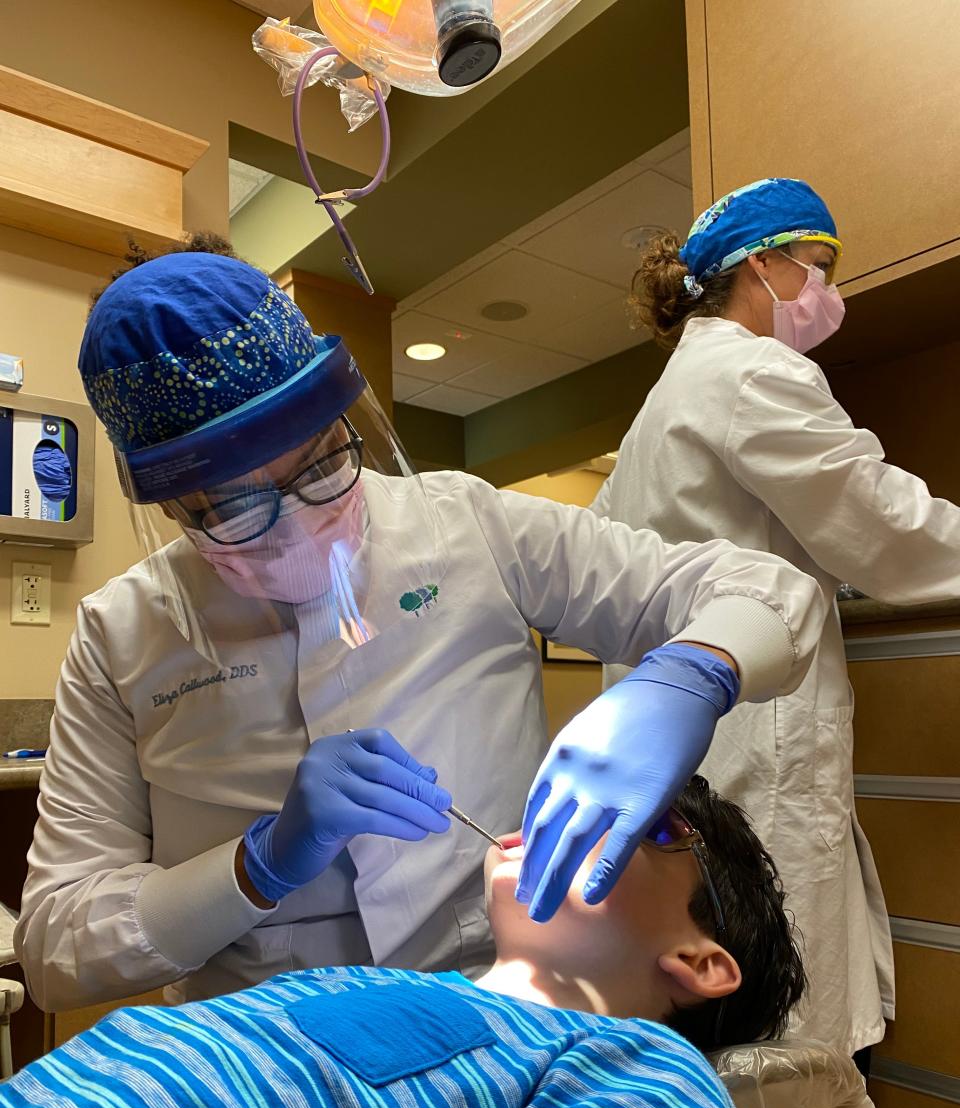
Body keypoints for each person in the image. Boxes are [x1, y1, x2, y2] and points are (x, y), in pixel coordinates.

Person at [15, 237, 825, 1013]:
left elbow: (770, 591)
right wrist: (257, 866)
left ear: (342, 419)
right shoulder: (121, 633)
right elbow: (54, 948)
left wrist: (688, 675)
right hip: (259, 1048)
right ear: (169, 504)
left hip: (485, 1013)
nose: (296, 522)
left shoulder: (469, 524)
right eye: (231, 506)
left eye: (320, 463)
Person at [0, 776, 806, 1108]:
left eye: (647, 823)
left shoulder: (644, 1067)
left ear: (701, 962)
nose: (578, 813)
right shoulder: (376, 981)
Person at [593, 176, 960, 1056]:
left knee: (712, 982)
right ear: (760, 265)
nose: (825, 291)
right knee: (781, 996)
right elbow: (879, 522)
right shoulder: (753, 371)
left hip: (686, 750)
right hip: (759, 731)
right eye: (817, 266)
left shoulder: (660, 409)